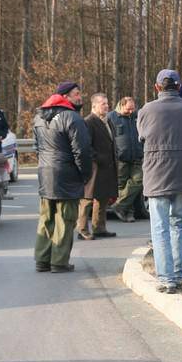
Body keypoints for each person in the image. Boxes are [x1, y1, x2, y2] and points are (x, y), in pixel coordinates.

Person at [138, 69, 182, 293]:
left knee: (160, 228)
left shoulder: (146, 110)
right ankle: (177, 276)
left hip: (157, 175)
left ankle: (166, 278)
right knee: (178, 224)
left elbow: (141, 138)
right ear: (178, 86)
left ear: (157, 87)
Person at [33, 82, 93, 273]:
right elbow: (82, 151)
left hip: (45, 172)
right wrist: (85, 175)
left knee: (46, 217)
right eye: (76, 94)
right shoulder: (73, 118)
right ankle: (59, 262)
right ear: (65, 96)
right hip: (66, 173)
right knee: (65, 219)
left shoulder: (39, 117)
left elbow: (37, 147)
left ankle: (42, 259)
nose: (80, 97)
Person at [76, 93, 118, 240]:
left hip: (107, 166)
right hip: (94, 167)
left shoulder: (107, 121)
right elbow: (85, 145)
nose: (106, 106)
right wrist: (98, 159)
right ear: (94, 106)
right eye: (103, 104)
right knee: (87, 199)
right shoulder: (88, 122)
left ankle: (99, 228)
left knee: (103, 198)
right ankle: (82, 229)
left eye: (107, 103)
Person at [108, 97, 144, 223]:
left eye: (133, 108)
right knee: (121, 186)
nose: (131, 111)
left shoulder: (137, 116)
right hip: (120, 159)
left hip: (136, 156)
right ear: (121, 106)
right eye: (129, 109)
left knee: (139, 180)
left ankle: (119, 206)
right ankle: (127, 213)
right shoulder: (111, 117)